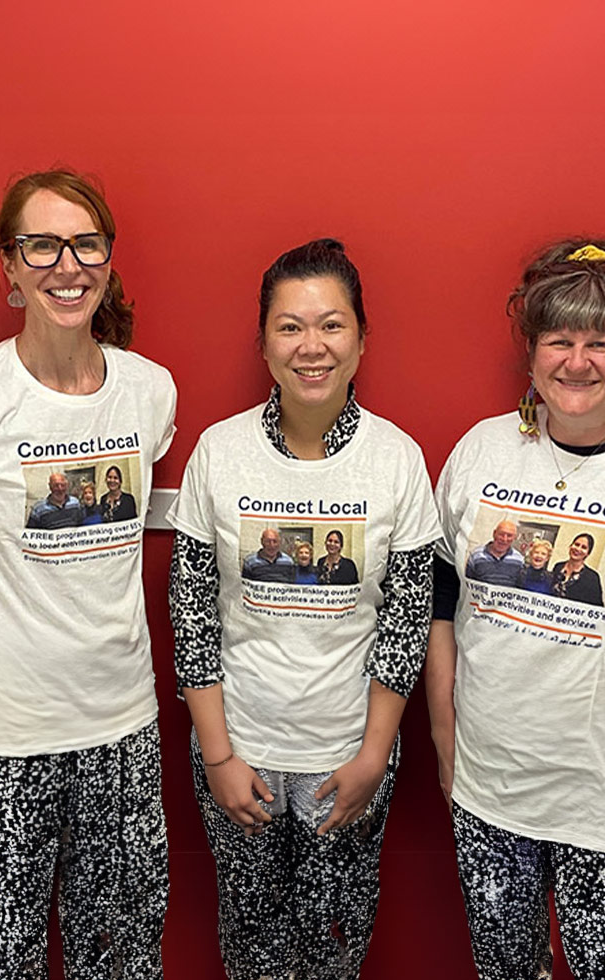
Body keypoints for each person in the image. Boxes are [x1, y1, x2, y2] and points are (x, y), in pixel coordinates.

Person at [168, 238, 439, 980]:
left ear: (360, 338)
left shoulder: (395, 459)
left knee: (333, 948)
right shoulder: (219, 453)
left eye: (331, 324)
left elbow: (407, 621)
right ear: (262, 342)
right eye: (290, 326)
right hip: (241, 754)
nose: (311, 346)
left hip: (345, 761)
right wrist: (220, 756)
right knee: (251, 949)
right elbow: (191, 613)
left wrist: (372, 758)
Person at [426, 240, 605, 980]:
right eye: (558, 341)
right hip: (493, 795)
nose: (578, 361)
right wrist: (445, 739)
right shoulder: (481, 452)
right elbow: (443, 600)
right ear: (530, 357)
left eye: (600, 342)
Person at [0, 170, 176, 980]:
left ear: (108, 261)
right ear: (8, 268)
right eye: (40, 245)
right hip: (0, 735)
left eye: (85, 244)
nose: (66, 265)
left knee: (119, 960)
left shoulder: (150, 393)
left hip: (120, 725)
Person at [464, 519, 522, 585]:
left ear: (514, 537)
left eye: (509, 536)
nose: (504, 539)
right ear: (494, 533)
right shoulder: (476, 556)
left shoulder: (519, 560)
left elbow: (521, 586)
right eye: (501, 534)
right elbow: (467, 583)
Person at [551, 532, 603, 605]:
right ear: (570, 546)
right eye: (577, 544)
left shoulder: (592, 577)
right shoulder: (558, 567)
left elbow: (597, 606)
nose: (578, 549)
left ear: (588, 553)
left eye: (584, 547)